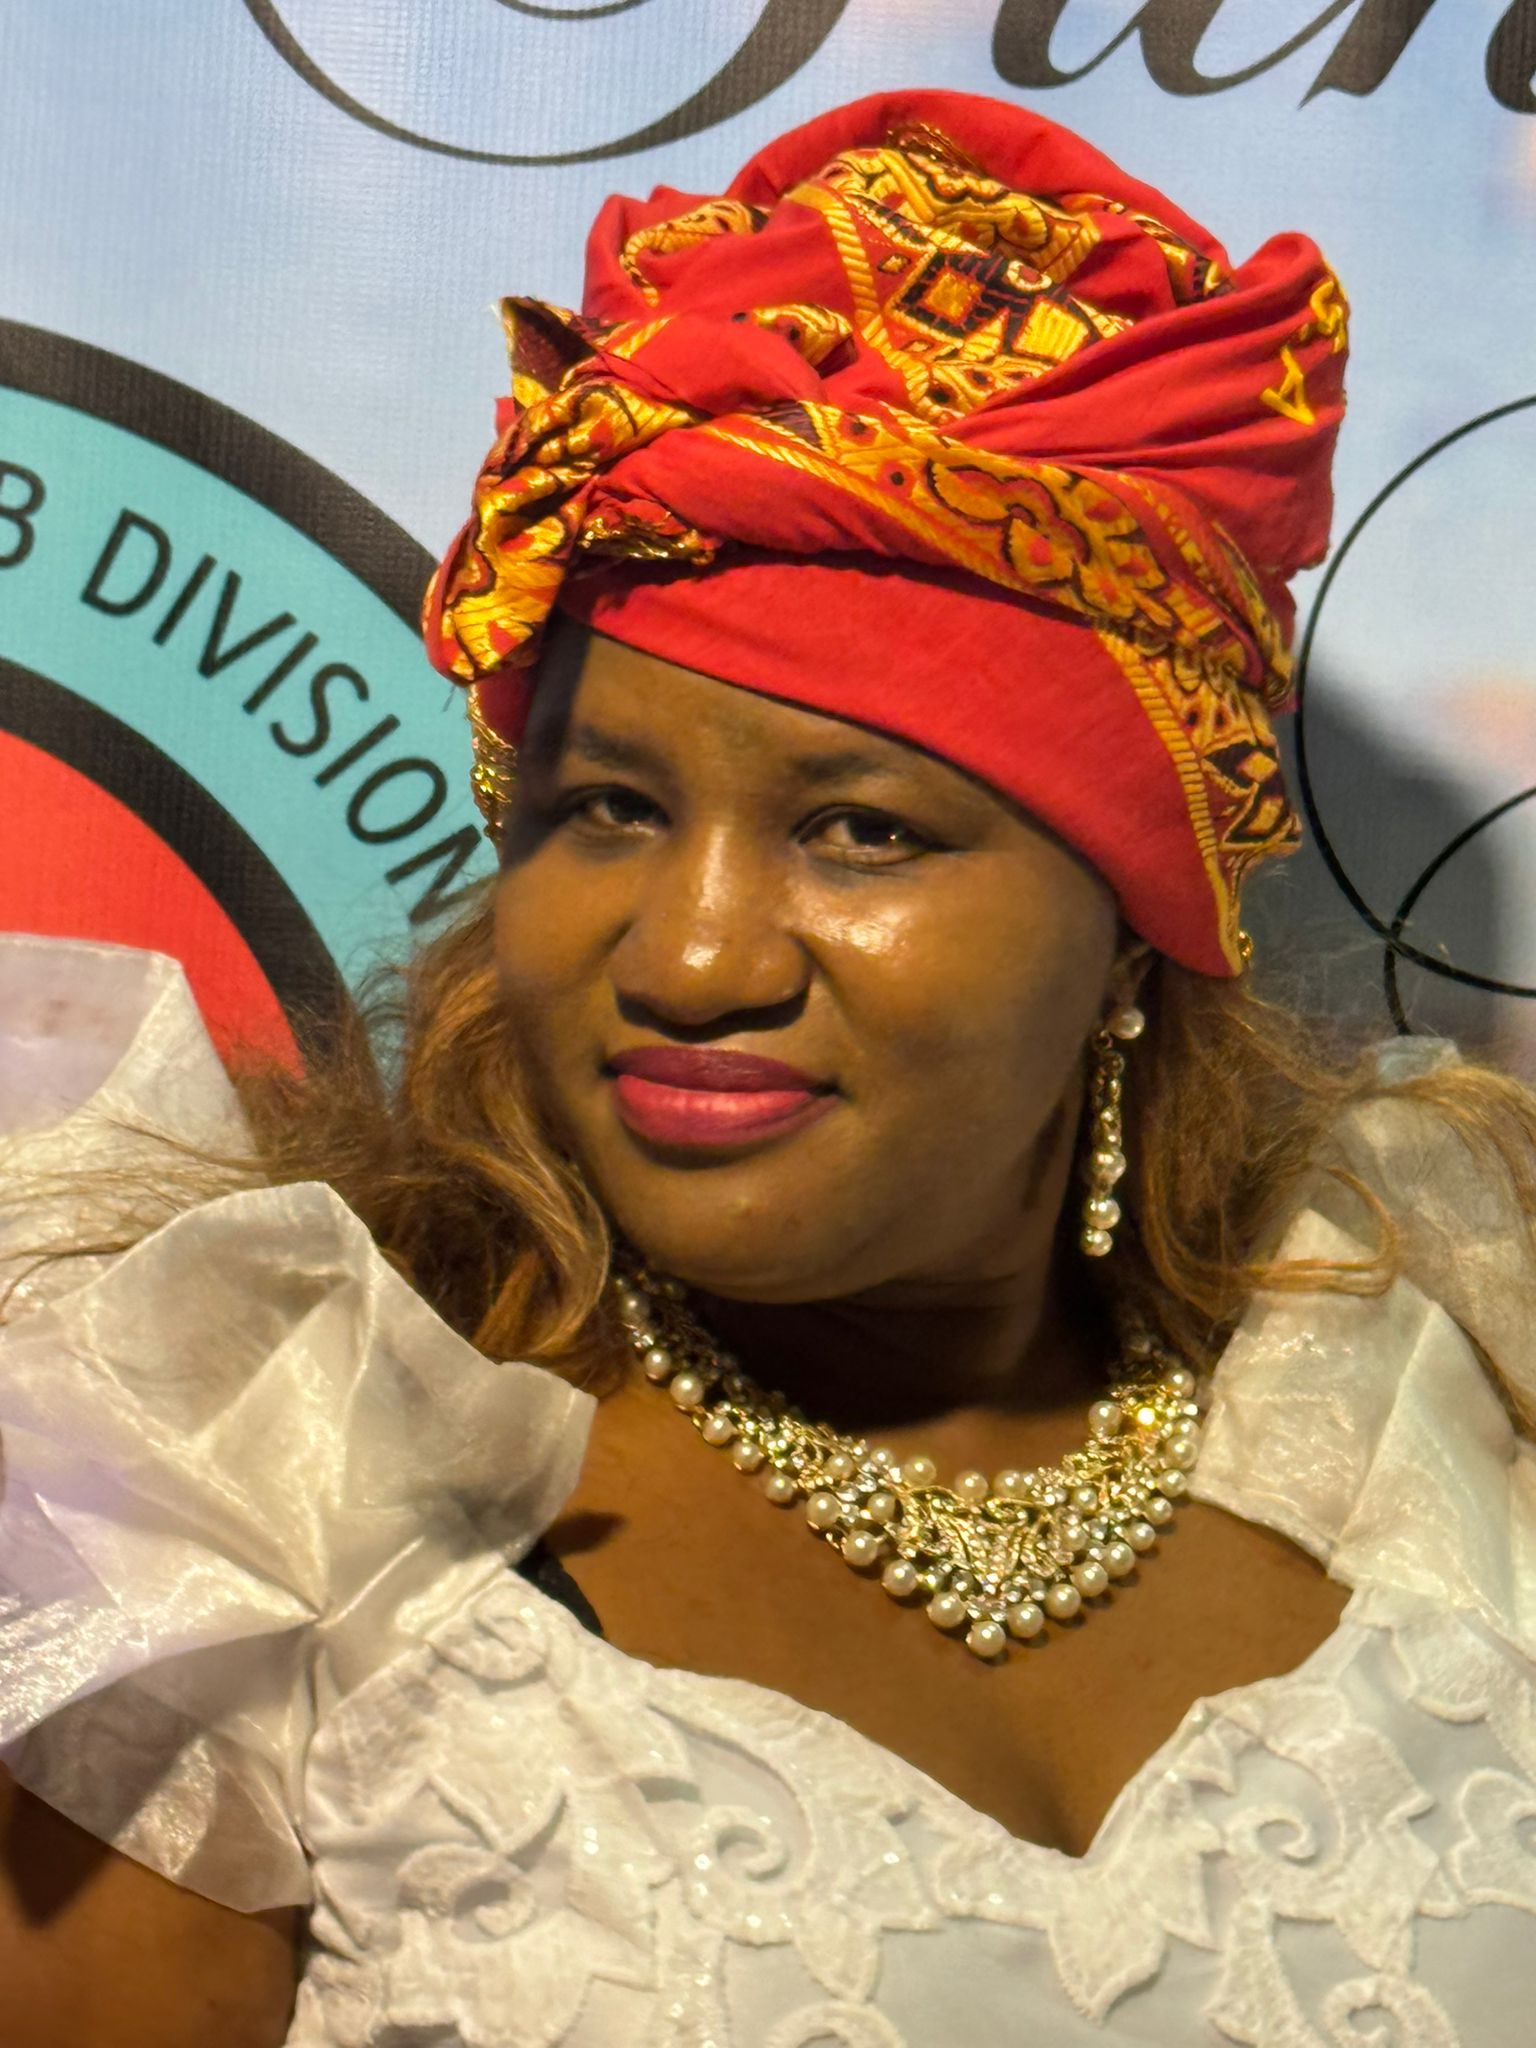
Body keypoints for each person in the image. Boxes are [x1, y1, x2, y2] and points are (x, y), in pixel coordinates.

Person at [3, 86, 1535, 2048]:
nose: (691, 955)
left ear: (1131, 920)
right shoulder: (253, 1509)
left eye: (860, 831)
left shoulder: (1438, 1396)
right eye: (609, 809)